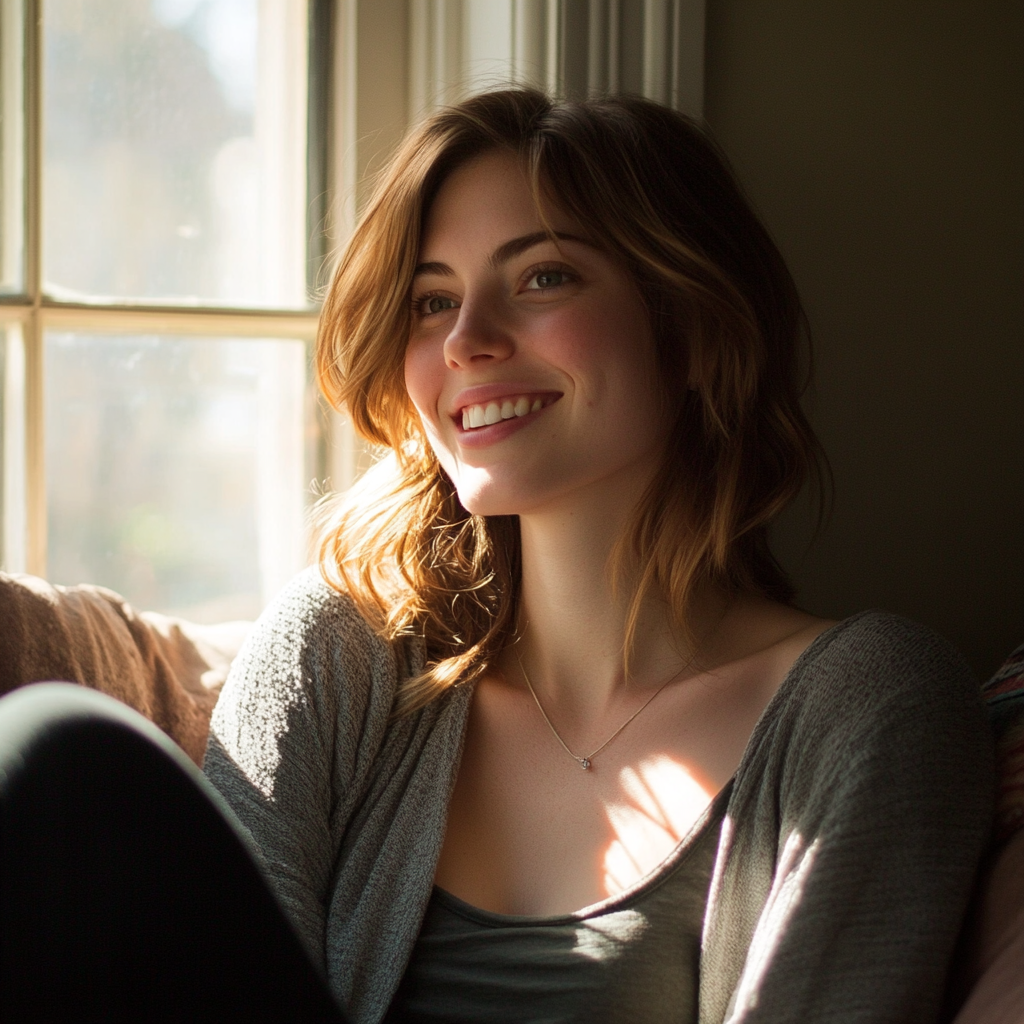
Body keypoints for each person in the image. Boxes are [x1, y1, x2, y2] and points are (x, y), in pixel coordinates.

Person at [0, 89, 992, 1024]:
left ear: (687, 325)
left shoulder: (870, 705)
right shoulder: (340, 653)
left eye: (542, 277)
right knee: (51, 757)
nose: (468, 339)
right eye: (432, 302)